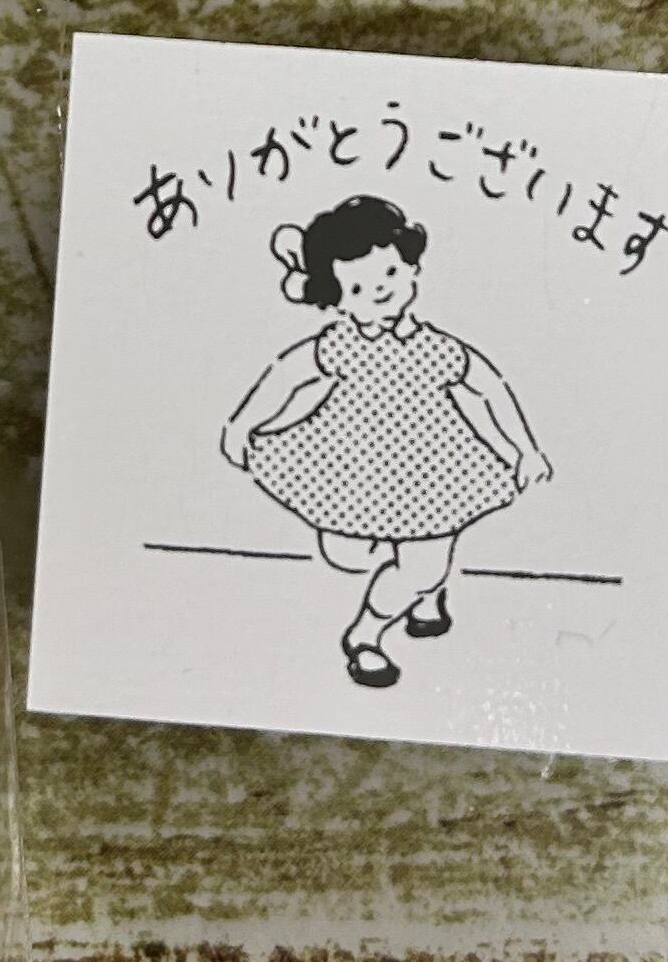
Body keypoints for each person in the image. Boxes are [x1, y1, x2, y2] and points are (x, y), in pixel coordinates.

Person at [220, 197, 549, 688]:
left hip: (435, 472)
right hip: (355, 467)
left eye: (391, 273)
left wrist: (525, 449)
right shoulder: (338, 344)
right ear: (336, 295)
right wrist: (241, 424)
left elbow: (490, 389)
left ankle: (366, 636)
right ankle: (424, 591)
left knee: (421, 564)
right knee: (347, 555)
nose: (379, 290)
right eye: (357, 286)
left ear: (412, 268)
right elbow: (285, 375)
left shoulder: (439, 349)